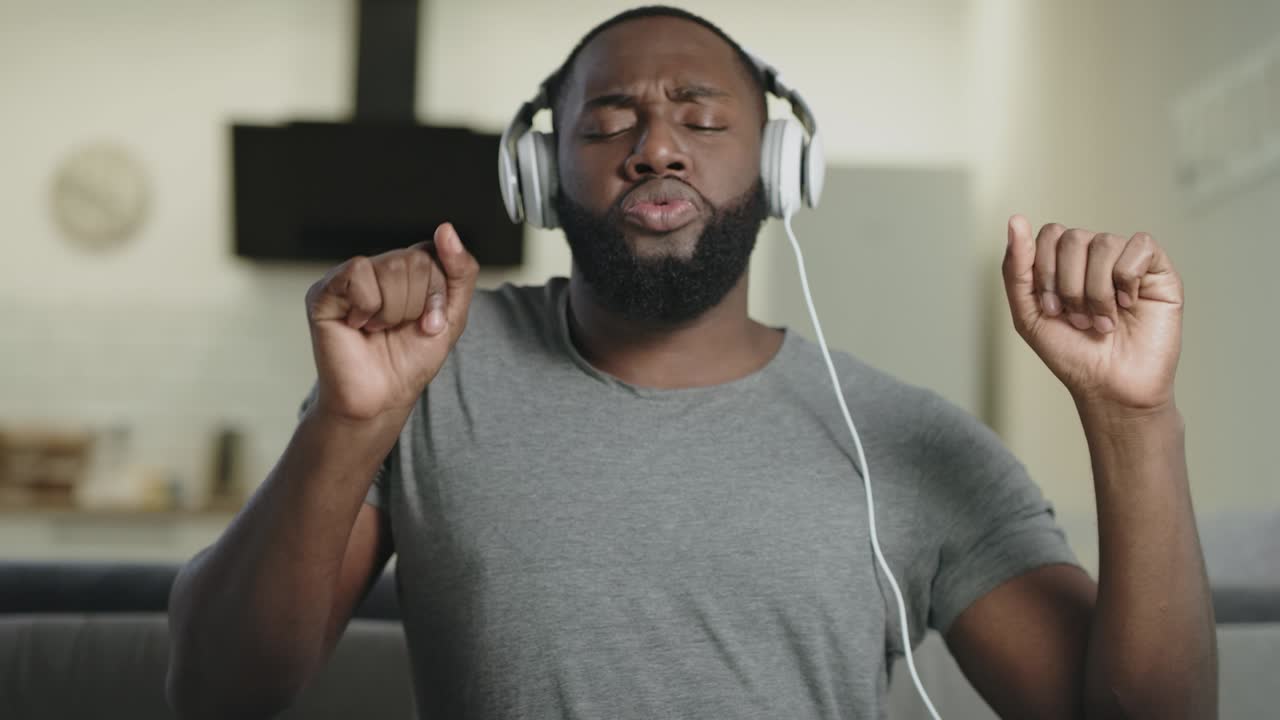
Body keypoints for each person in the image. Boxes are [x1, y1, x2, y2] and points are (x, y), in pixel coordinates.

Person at [166, 6, 1217, 719]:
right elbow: (217, 690)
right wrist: (346, 424)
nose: (656, 147)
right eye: (608, 122)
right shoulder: (429, 376)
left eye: (702, 117)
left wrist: (1133, 422)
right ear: (538, 174)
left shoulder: (907, 439)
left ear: (781, 168)